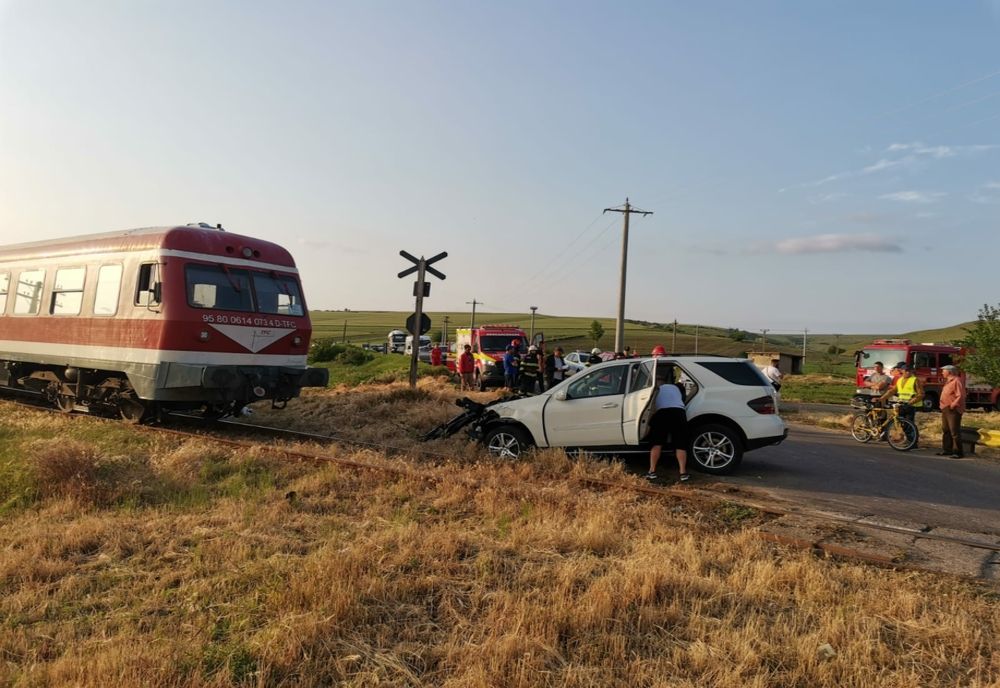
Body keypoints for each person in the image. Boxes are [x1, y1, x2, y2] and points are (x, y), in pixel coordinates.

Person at [644, 367, 690, 483]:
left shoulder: (654, 389)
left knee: (657, 443)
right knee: (680, 444)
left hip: (662, 413)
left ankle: (652, 471)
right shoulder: (676, 387)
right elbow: (682, 399)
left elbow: (651, 407)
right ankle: (683, 473)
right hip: (679, 412)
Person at [879, 362, 923, 428]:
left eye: (909, 370)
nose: (908, 372)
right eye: (906, 370)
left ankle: (911, 438)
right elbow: (892, 391)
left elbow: (921, 394)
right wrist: (882, 398)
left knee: (909, 424)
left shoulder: (915, 380)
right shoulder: (900, 380)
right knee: (902, 424)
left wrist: (911, 402)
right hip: (901, 404)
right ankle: (902, 436)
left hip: (910, 406)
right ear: (902, 371)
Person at [937, 365, 966, 458]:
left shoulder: (957, 381)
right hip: (945, 408)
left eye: (943, 371)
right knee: (946, 430)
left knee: (954, 431)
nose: (942, 373)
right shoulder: (948, 381)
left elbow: (960, 395)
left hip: (953, 409)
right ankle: (947, 450)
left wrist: (953, 404)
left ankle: (958, 452)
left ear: (949, 372)